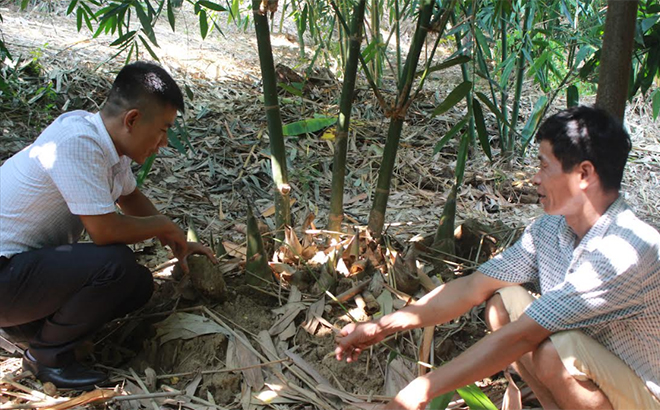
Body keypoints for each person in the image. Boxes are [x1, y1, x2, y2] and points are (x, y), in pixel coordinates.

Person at [335, 106, 660, 410]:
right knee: (503, 303)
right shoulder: (551, 229)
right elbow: (473, 287)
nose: (535, 178)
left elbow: (524, 335)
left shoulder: (624, 249)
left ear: (584, 174)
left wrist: (424, 388)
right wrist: (380, 327)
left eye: (544, 166)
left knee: (552, 354)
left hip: (646, 397)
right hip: (602, 375)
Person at [0, 61, 216, 389]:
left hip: (19, 278)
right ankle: (45, 357)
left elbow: (130, 198)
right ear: (132, 119)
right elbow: (105, 231)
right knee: (114, 265)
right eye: (163, 129)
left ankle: (36, 331)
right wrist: (163, 224)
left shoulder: (106, 144)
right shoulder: (77, 141)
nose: (165, 142)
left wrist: (178, 243)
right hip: (5, 276)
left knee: (137, 283)